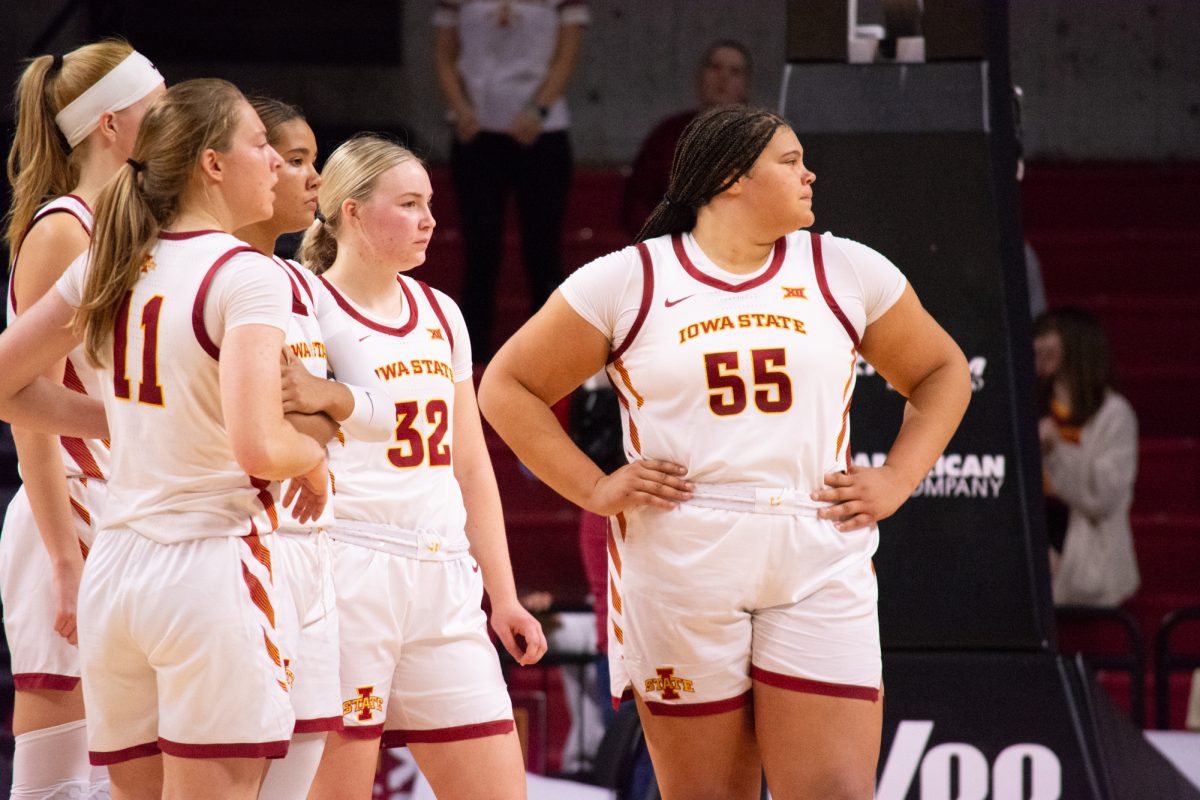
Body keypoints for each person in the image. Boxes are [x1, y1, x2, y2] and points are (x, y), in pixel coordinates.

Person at [478, 106, 971, 799]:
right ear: (732, 177)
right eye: (791, 160)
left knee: (836, 791)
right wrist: (595, 488)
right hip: (683, 554)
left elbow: (942, 371)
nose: (810, 174)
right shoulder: (630, 278)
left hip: (816, 548)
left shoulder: (845, 268)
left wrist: (897, 476)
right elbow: (507, 387)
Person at [0, 78, 330, 799]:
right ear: (212, 165)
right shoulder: (247, 274)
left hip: (117, 575)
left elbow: (5, 384)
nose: (275, 163)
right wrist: (313, 455)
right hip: (209, 570)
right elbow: (259, 448)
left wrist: (125, 415)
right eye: (258, 146)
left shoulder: (109, 260)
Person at [296, 135, 548, 800]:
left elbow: (470, 465)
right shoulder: (307, 309)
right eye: (408, 204)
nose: (430, 219)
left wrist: (505, 596)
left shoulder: (443, 312)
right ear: (350, 213)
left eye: (429, 203)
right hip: (346, 568)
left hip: (443, 577)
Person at [0, 39, 163, 800]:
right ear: (108, 124)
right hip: (64, 508)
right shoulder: (63, 229)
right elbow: (24, 409)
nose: (170, 120)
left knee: (127, 762)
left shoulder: (139, 224)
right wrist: (64, 559)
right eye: (155, 107)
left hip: (127, 505)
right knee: (58, 775)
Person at [233, 96, 394, 800]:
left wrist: (320, 416)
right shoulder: (215, 275)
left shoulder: (304, 282)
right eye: (294, 160)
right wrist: (316, 437)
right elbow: (244, 423)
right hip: (239, 544)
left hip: (311, 554)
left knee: (298, 780)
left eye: (314, 161)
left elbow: (380, 408)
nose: (312, 178)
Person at [433, 0, 590, 360]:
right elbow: (444, 55)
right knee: (480, 255)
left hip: (542, 135)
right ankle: (470, 366)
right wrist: (460, 109)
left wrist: (538, 110)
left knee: (543, 253)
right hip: (475, 136)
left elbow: (564, 57)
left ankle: (546, 360)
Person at [1034, 307, 1139, 607]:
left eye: (1045, 335)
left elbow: (1103, 495)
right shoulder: (1028, 406)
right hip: (1031, 560)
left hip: (1087, 570)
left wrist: (1056, 450)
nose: (1036, 344)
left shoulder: (1114, 415)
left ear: (1076, 343)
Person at [620, 39, 753, 237]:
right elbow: (634, 204)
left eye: (734, 72)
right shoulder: (667, 134)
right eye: (715, 68)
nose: (723, 78)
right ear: (699, 77)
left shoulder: (761, 140)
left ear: (746, 85)